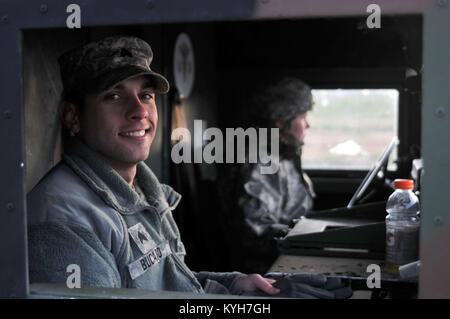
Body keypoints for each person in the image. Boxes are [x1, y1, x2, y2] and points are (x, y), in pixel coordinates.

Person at [27, 36, 350, 299]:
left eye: (147, 95)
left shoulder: (143, 192)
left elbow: (172, 284)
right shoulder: (63, 218)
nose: (139, 111)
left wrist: (239, 285)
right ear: (72, 116)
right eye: (113, 96)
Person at [218, 77, 316, 274]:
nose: (307, 125)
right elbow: (256, 233)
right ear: (281, 120)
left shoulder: (283, 155)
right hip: (266, 270)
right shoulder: (261, 162)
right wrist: (308, 239)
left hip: (287, 258)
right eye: (303, 116)